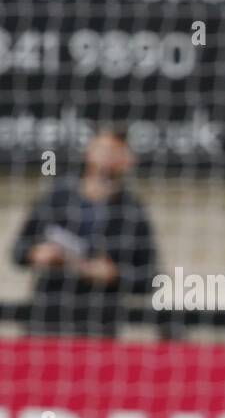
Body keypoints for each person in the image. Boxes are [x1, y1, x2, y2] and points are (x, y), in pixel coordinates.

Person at [11, 128, 158, 338]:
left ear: (127, 159)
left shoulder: (132, 212)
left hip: (97, 327)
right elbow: (18, 251)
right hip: (46, 322)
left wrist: (113, 274)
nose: (107, 157)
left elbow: (151, 277)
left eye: (114, 151)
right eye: (102, 149)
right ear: (89, 151)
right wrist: (38, 254)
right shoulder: (57, 197)